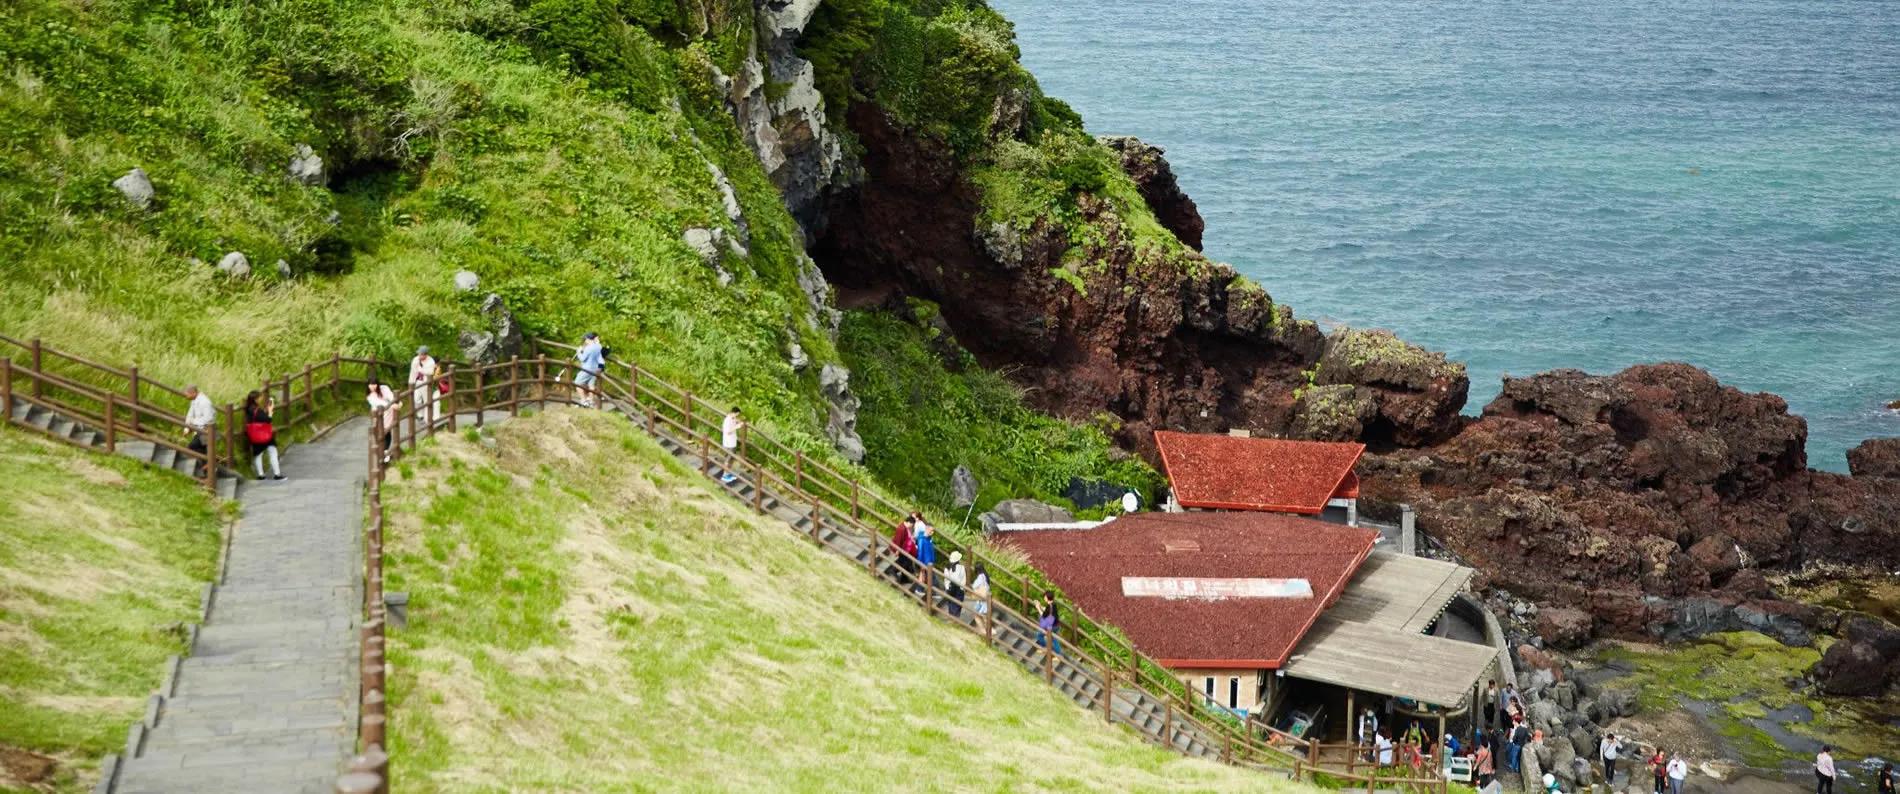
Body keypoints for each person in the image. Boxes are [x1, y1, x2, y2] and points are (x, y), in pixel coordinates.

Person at [242, 391, 284, 481]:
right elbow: (268, 420)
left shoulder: (248, 409)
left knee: (258, 455)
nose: (261, 399)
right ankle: (277, 474)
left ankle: (261, 475)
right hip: (265, 435)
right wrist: (270, 411)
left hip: (255, 435)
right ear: (255, 399)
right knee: (273, 452)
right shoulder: (257, 410)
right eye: (259, 397)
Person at [182, 384, 216, 478]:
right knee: (202, 450)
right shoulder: (194, 401)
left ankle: (209, 467)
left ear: (193, 393)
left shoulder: (205, 402)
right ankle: (208, 470)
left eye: (187, 394)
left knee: (193, 447)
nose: (185, 396)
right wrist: (187, 428)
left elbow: (209, 420)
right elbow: (190, 414)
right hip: (199, 429)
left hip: (207, 430)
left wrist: (193, 422)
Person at [365, 375, 399, 462]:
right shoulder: (370, 396)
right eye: (370, 384)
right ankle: (383, 452)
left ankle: (385, 451)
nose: (372, 386)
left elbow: (391, 396)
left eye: (374, 384)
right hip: (378, 415)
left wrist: (395, 403)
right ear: (368, 385)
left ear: (377, 384)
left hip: (388, 413)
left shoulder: (384, 388)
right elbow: (379, 403)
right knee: (380, 433)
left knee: (387, 431)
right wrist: (392, 405)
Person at [572, 332, 604, 408]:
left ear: (588, 339)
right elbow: (598, 346)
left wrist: (579, 352)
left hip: (587, 368)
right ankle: (591, 402)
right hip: (595, 368)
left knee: (577, 383)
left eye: (585, 339)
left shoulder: (589, 348)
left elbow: (583, 359)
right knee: (591, 385)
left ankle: (584, 401)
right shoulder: (598, 346)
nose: (584, 341)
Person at [408, 346, 439, 425]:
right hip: (418, 381)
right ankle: (420, 415)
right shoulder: (415, 359)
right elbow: (413, 371)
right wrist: (411, 382)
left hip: (426, 382)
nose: (420, 356)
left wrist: (420, 369)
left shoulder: (431, 361)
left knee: (426, 400)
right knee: (416, 399)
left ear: (425, 354)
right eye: (419, 354)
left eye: (421, 354)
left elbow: (430, 372)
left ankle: (427, 419)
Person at [719, 407, 744, 483]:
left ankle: (727, 473)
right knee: (728, 459)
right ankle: (724, 475)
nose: (737, 416)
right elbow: (728, 431)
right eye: (737, 415)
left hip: (732, 442)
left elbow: (735, 421)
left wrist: (739, 422)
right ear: (734, 413)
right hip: (728, 443)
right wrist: (737, 427)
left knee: (731, 459)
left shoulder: (732, 418)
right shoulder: (727, 420)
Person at [943, 550, 967, 618]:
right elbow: (963, 579)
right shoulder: (961, 568)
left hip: (950, 588)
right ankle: (956, 619)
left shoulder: (947, 567)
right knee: (958, 605)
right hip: (959, 589)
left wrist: (947, 587)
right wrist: (963, 589)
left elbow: (946, 579)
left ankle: (951, 618)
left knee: (951, 603)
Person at [1036, 591, 1062, 655]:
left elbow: (1043, 615)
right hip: (1056, 625)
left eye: (1045, 597)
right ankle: (1058, 654)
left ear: (1048, 597)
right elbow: (1047, 611)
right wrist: (1040, 606)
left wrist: (1038, 608)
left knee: (1039, 635)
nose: (1044, 598)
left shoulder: (1049, 606)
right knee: (1052, 638)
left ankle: (1045, 649)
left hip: (1052, 627)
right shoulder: (1053, 604)